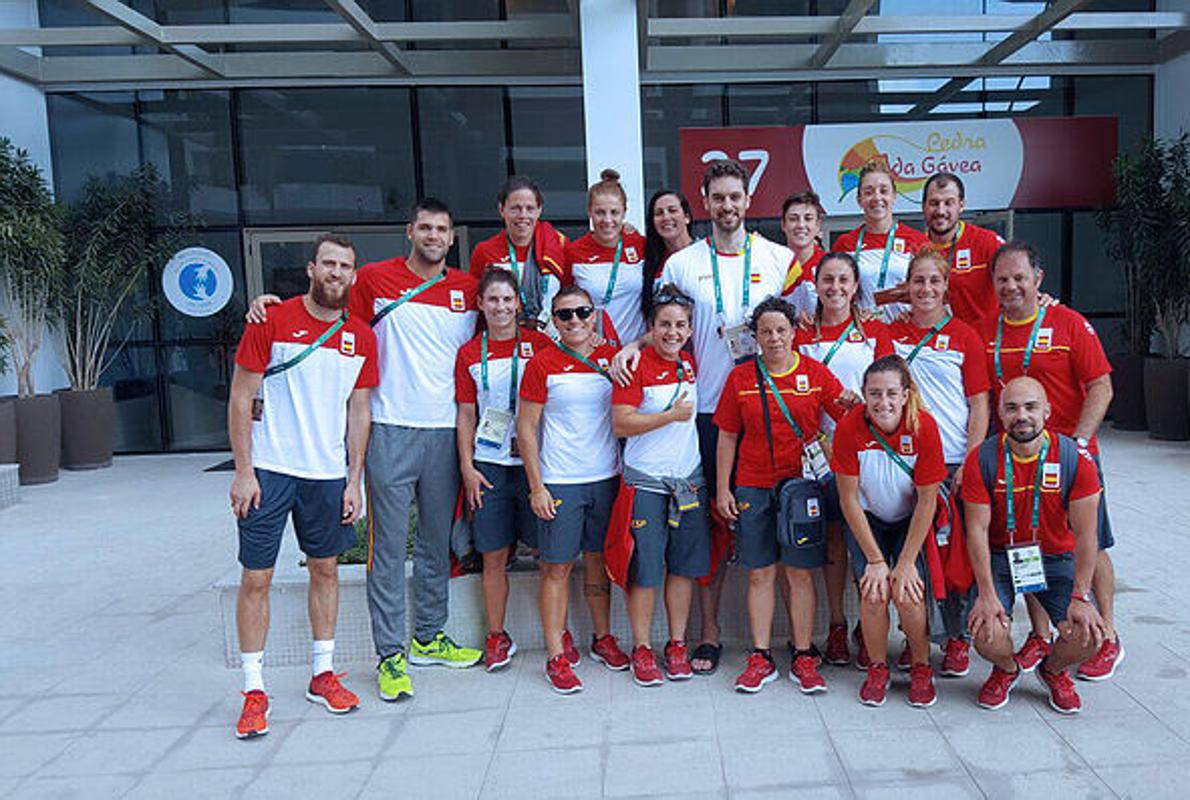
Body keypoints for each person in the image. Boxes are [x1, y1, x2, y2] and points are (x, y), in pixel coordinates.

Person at [632, 158, 799, 676]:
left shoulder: (780, 258)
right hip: (703, 410)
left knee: (778, 517)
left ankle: (790, 640)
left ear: (749, 202)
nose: (727, 206)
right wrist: (626, 349)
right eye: (718, 197)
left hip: (768, 407)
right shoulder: (682, 264)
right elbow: (663, 328)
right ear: (704, 204)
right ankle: (706, 635)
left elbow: (806, 323)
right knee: (707, 523)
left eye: (735, 197)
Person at [228, 234, 378, 738]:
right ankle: (253, 690)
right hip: (269, 469)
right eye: (329, 263)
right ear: (312, 268)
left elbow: (360, 410)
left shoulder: (361, 336)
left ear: (354, 276)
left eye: (346, 266)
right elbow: (239, 397)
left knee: (326, 571)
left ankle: (322, 674)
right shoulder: (270, 319)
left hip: (326, 473)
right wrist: (244, 471)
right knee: (256, 579)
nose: (337, 273)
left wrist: (354, 479)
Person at [974, 241, 1120, 681]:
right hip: (1014, 458)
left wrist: (1078, 442)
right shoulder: (984, 330)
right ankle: (1040, 633)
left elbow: (1101, 387)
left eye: (1020, 277)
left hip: (1068, 460)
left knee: (1091, 543)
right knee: (1030, 540)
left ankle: (1108, 634)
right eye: (1002, 279)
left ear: (1038, 279)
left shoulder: (1068, 323)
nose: (1011, 286)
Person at [714, 297, 855, 694]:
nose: (774, 338)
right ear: (754, 337)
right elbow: (727, 435)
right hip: (753, 484)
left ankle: (804, 653)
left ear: (794, 332)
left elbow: (847, 418)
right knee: (760, 572)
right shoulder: (740, 378)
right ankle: (760, 656)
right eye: (765, 331)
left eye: (781, 330)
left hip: (802, 487)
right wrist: (724, 487)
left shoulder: (815, 372)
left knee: (800, 573)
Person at [962, 377, 1108, 714]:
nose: (1021, 415)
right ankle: (1006, 669)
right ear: (1000, 413)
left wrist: (1080, 596)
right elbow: (977, 531)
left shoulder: (1074, 458)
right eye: (1012, 408)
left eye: (1030, 407)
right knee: (986, 634)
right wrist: (985, 594)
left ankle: (1053, 670)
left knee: (1089, 634)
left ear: (1047, 411)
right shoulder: (982, 459)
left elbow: (1088, 537)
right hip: (1002, 557)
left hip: (1056, 559)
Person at [518, 285, 630, 694]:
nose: (576, 322)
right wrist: (536, 486)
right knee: (556, 568)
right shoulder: (542, 364)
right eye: (565, 315)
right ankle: (555, 655)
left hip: (605, 477)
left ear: (594, 314)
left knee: (599, 561)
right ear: (554, 320)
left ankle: (602, 638)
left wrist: (626, 343)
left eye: (583, 313)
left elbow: (656, 339)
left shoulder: (611, 358)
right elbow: (526, 428)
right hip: (560, 479)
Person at [888, 248, 991, 678]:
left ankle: (957, 640)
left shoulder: (965, 335)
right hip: (903, 461)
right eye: (918, 281)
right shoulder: (889, 333)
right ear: (906, 287)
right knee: (913, 554)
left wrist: (970, 459)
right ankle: (917, 640)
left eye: (934, 281)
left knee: (953, 557)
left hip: (951, 462)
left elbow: (979, 404)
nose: (926, 289)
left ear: (946, 286)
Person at [793, 251, 892, 668]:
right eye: (827, 280)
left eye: (843, 281)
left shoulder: (873, 331)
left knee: (861, 543)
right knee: (832, 541)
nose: (834, 288)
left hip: (864, 454)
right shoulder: (803, 333)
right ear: (815, 285)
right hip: (814, 456)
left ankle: (865, 626)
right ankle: (836, 624)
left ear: (855, 287)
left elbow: (893, 386)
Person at [832, 355, 947, 708]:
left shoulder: (924, 426)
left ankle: (921, 665)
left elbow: (928, 500)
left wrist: (907, 561)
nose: (883, 402)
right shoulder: (849, 427)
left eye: (891, 393)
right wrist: (876, 559)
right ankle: (878, 668)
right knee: (874, 591)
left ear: (905, 395)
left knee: (909, 592)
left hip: (911, 522)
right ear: (864, 394)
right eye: (875, 393)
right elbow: (848, 499)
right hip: (869, 521)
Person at [454, 269, 554, 671]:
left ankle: (556, 631)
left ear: (518, 304)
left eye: (507, 300)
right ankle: (497, 636)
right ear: (480, 304)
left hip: (536, 467)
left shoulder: (540, 344)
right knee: (493, 556)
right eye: (492, 300)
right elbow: (465, 415)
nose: (500, 307)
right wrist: (467, 468)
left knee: (550, 555)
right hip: (490, 466)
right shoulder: (468, 353)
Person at [611, 285, 709, 686]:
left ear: (689, 330)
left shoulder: (689, 363)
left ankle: (677, 643)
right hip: (646, 485)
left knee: (683, 570)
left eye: (680, 325)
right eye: (664, 324)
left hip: (688, 483)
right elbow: (621, 422)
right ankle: (642, 648)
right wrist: (670, 416)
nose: (672, 332)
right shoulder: (634, 366)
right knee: (646, 572)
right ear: (651, 327)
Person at [832, 161, 929, 320]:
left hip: (907, 331)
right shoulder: (845, 244)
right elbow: (836, 293)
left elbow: (935, 290)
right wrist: (854, 313)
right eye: (869, 192)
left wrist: (916, 311)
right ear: (859, 199)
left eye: (884, 191)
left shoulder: (917, 240)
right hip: (864, 333)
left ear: (894, 196)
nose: (877, 197)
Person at [469, 175, 568, 329]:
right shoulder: (485, 251)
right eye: (515, 208)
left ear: (539, 210)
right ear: (502, 210)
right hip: (505, 338)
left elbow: (571, 295)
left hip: (552, 339)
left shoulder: (559, 245)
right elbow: (475, 308)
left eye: (529, 208)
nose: (523, 215)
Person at [563, 168, 648, 344]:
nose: (607, 220)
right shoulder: (574, 251)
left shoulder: (641, 245)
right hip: (593, 352)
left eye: (614, 212)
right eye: (600, 212)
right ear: (589, 211)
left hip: (635, 352)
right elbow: (563, 304)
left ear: (625, 212)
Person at [920, 172, 1005, 324]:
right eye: (934, 203)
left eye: (949, 203)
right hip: (936, 343)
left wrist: (1040, 297)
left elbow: (1017, 278)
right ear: (923, 206)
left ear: (961, 205)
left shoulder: (986, 242)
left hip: (983, 341)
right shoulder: (915, 247)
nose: (940, 211)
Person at [640, 189, 694, 323]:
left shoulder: (706, 254)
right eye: (659, 213)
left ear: (687, 217)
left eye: (672, 210)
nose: (666, 217)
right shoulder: (651, 260)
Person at [779, 191, 826, 315]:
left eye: (808, 219)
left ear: (818, 225)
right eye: (793, 219)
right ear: (783, 225)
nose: (801, 225)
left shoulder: (829, 265)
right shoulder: (773, 265)